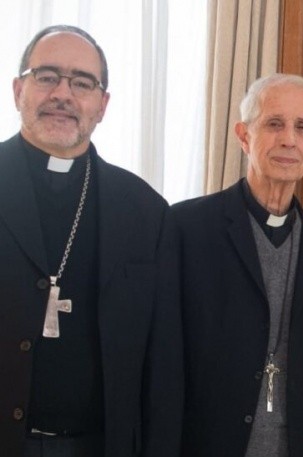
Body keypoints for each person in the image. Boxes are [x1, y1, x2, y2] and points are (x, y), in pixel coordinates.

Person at [0, 25, 182, 457]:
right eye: (47, 76)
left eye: (82, 82)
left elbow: (163, 363)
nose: (63, 93)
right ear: (18, 90)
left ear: (102, 106)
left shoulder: (144, 211)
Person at [174, 73, 303, 457]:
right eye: (274, 124)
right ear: (244, 136)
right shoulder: (186, 230)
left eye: (302, 127)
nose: (289, 139)